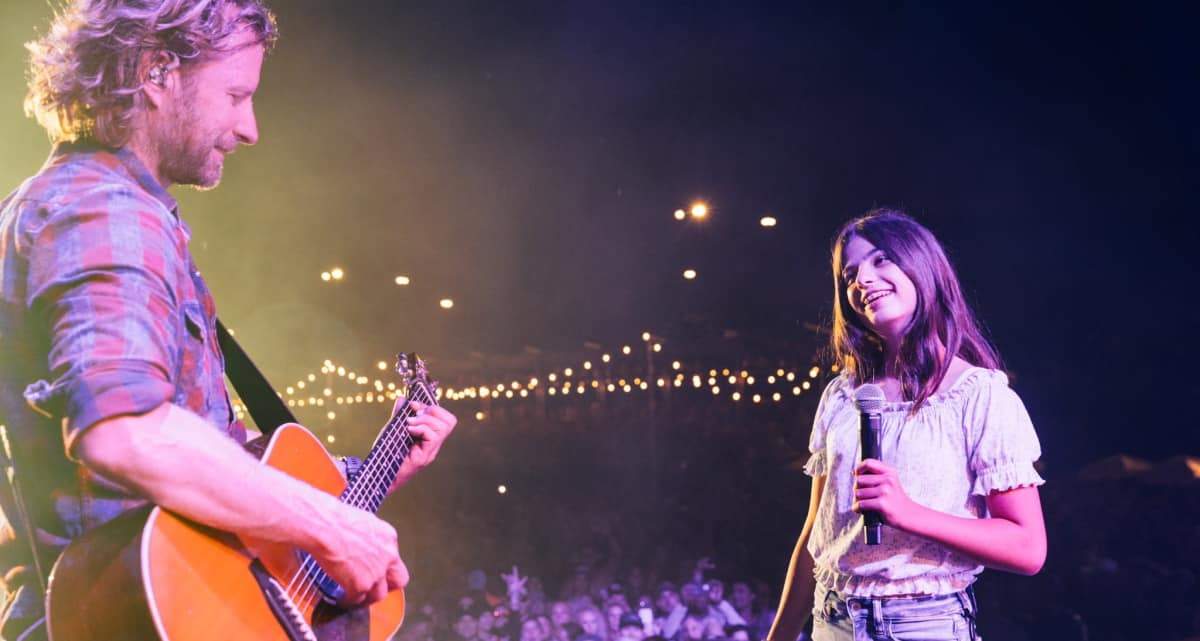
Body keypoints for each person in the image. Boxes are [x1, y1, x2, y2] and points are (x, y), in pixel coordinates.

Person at [0, 1, 457, 638]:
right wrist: (329, 528)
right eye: (237, 94)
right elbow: (124, 429)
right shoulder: (105, 208)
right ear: (157, 73)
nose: (250, 128)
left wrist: (369, 475)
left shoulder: (95, 207)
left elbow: (205, 453)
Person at [765, 209, 1046, 641]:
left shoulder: (980, 396)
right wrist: (780, 636)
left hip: (924, 624)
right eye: (850, 274)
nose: (863, 281)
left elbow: (1027, 548)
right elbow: (816, 535)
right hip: (833, 620)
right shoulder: (842, 395)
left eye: (881, 260)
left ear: (922, 267)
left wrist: (910, 514)